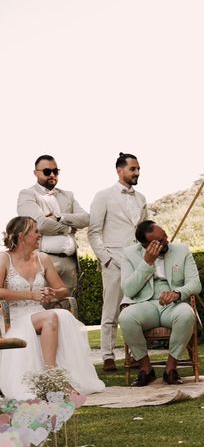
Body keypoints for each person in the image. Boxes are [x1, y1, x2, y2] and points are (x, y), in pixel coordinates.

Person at [0, 217, 105, 400]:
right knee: (52, 317)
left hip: (37, 313)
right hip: (14, 317)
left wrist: (52, 293)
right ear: (22, 236)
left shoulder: (42, 259)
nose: (39, 235)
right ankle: (52, 373)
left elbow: (63, 290)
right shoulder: (4, 259)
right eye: (35, 231)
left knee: (61, 314)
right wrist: (30, 295)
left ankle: (53, 374)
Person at [119, 220, 201, 386]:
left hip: (173, 305)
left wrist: (177, 293)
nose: (166, 241)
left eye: (165, 236)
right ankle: (146, 369)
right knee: (126, 318)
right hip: (145, 304)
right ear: (146, 244)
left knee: (186, 314)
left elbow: (195, 283)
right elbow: (128, 290)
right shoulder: (129, 254)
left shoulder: (182, 250)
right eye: (161, 241)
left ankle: (171, 369)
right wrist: (147, 262)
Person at [88, 153, 147, 372]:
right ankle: (108, 355)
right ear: (120, 170)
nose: (137, 173)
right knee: (111, 310)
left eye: (138, 169)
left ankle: (134, 355)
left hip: (138, 262)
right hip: (113, 261)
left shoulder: (141, 198)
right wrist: (106, 259)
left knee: (135, 310)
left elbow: (144, 229)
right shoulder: (103, 196)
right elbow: (93, 232)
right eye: (133, 169)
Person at [17, 154, 89, 293]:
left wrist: (58, 216)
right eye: (47, 171)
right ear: (35, 173)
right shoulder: (27, 194)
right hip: (43, 260)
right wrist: (69, 228)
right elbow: (40, 225)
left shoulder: (68, 195)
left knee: (68, 307)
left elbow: (86, 219)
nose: (52, 175)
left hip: (70, 263)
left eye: (55, 171)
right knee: (43, 307)